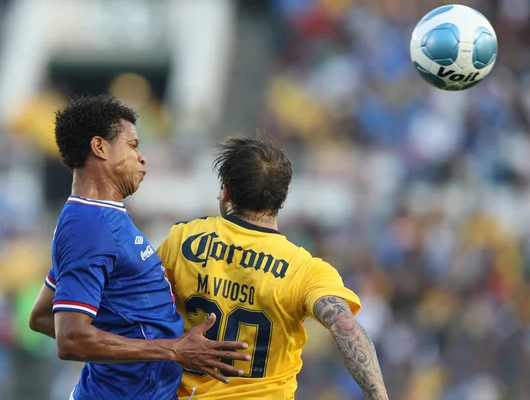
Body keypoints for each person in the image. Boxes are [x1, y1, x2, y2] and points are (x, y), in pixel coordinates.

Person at [28, 95, 250, 400]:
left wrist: (129, 343)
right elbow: (71, 339)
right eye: (132, 146)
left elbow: (41, 315)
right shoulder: (89, 226)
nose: (142, 157)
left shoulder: (100, 217)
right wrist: (171, 349)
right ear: (100, 147)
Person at [157, 135, 389, 399]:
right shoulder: (305, 269)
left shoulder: (183, 239)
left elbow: (139, 310)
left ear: (226, 191)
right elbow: (344, 326)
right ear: (282, 197)